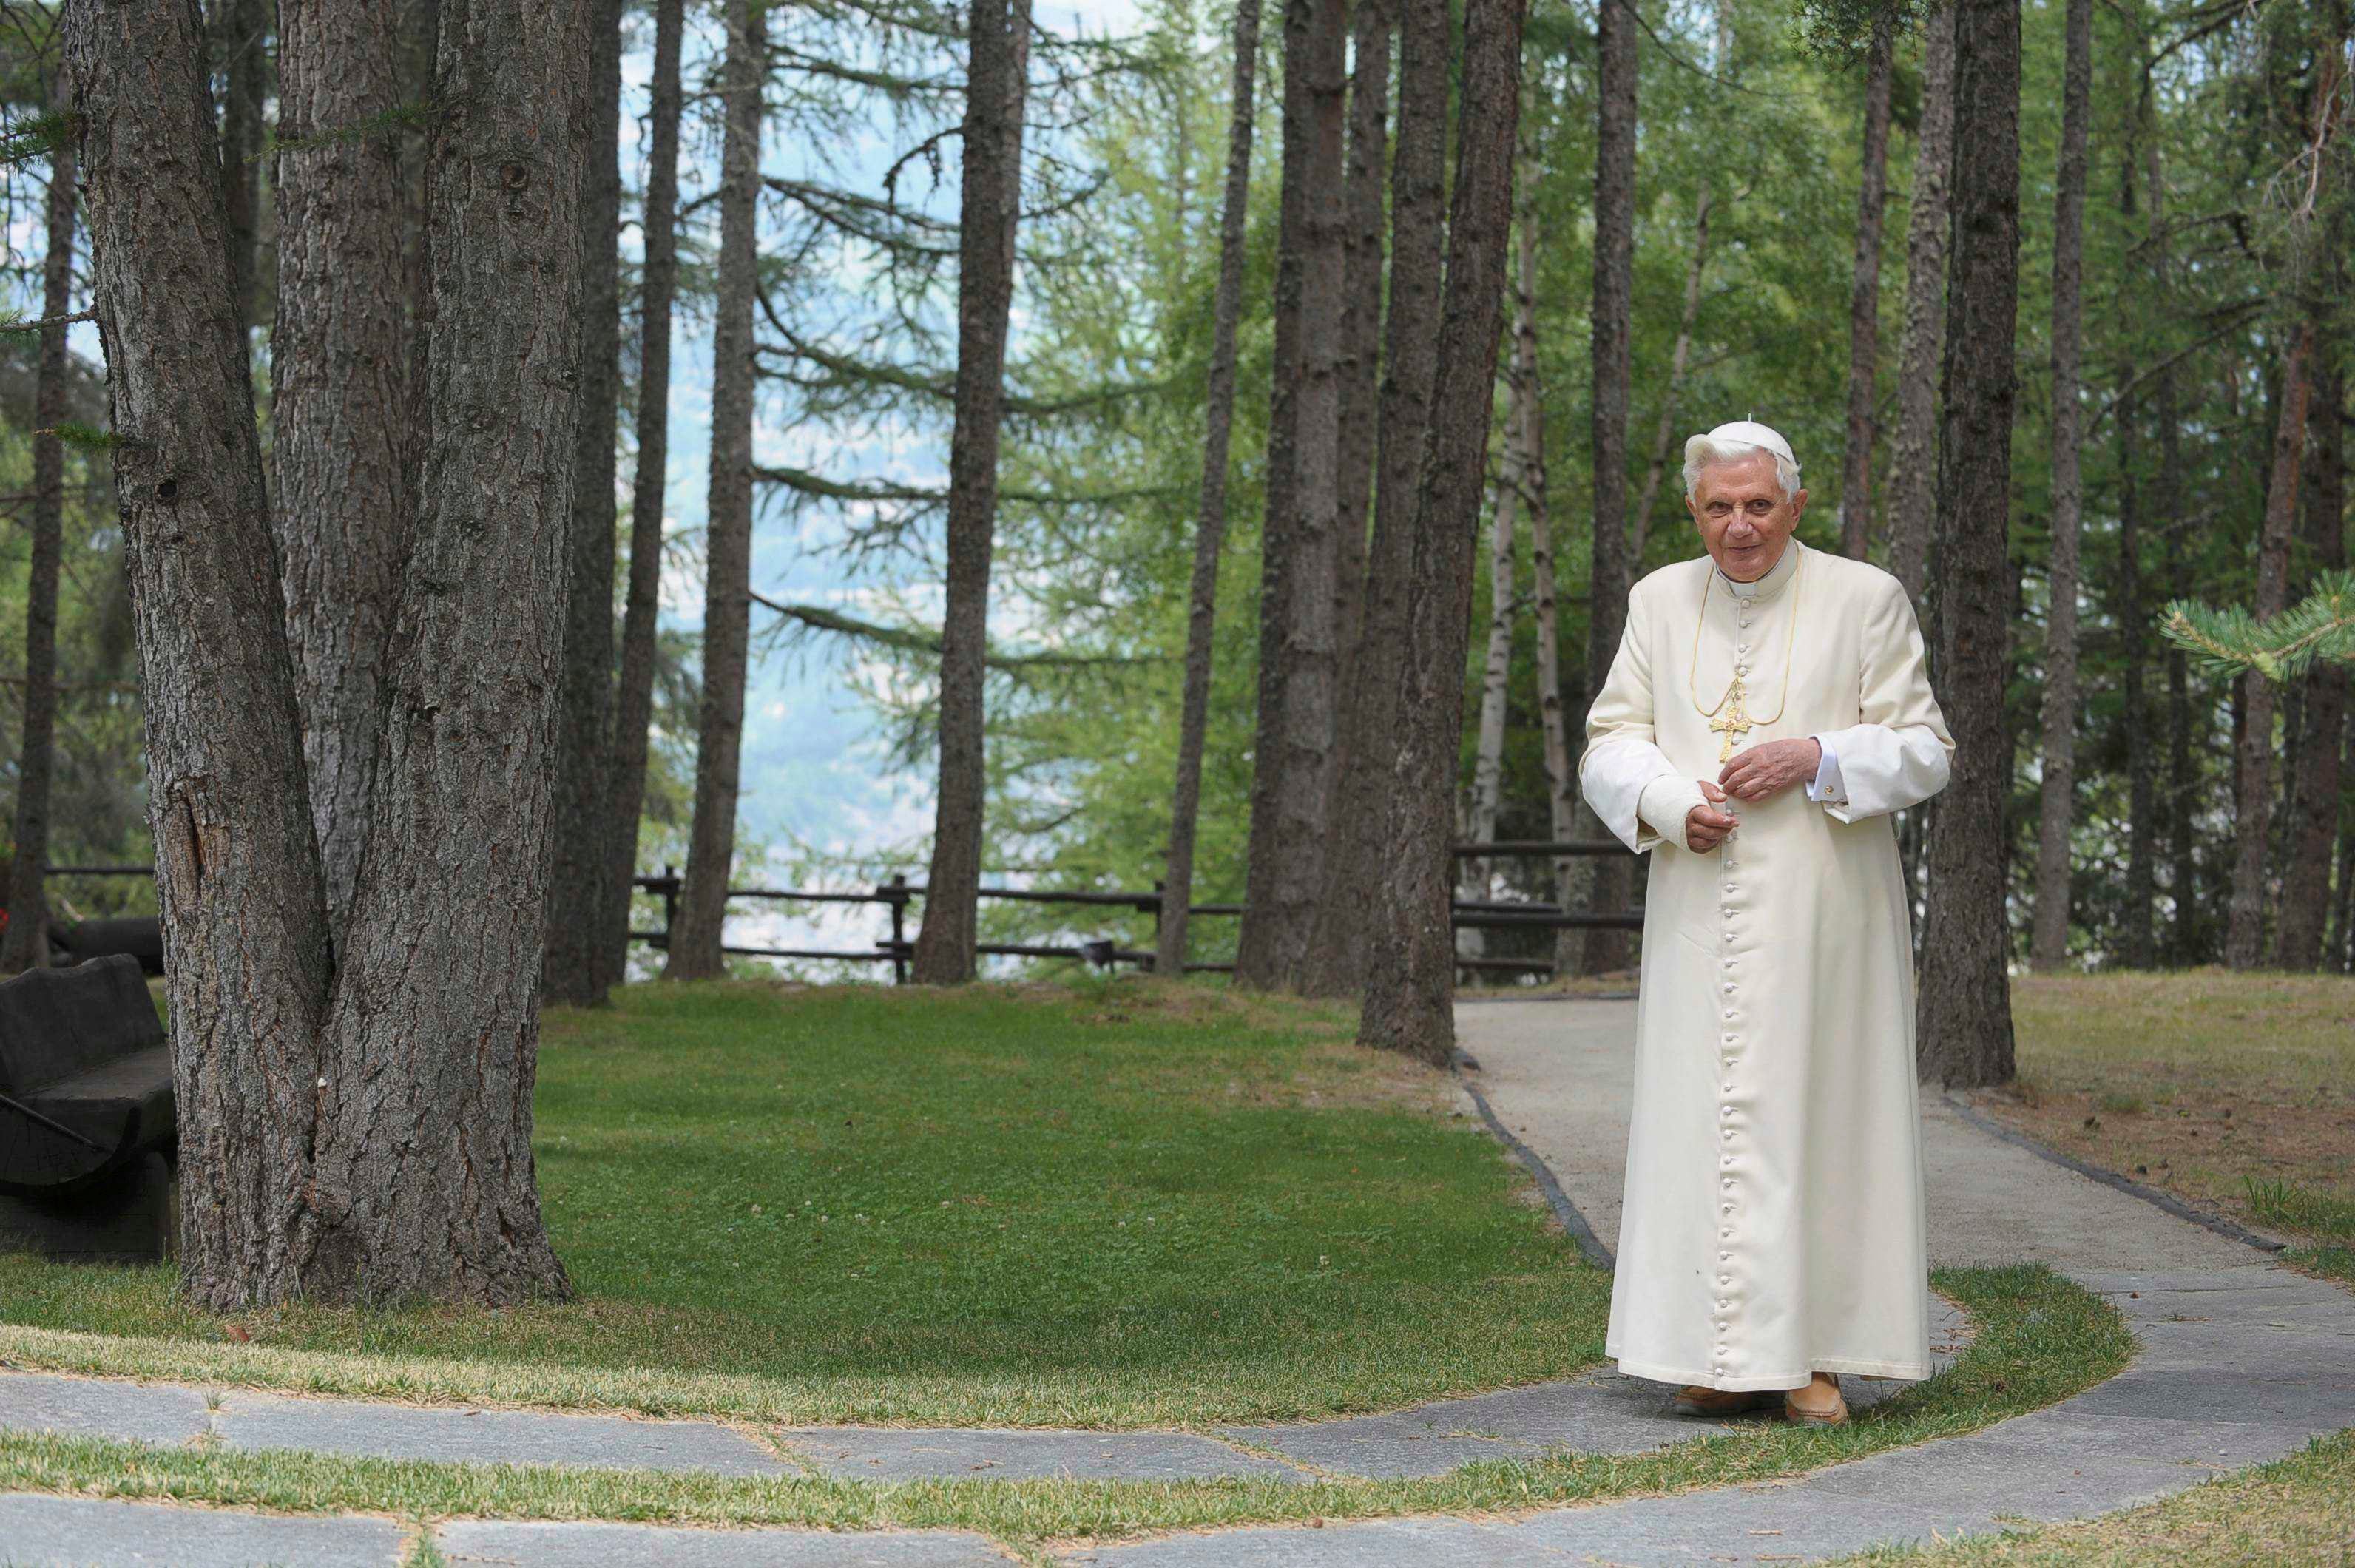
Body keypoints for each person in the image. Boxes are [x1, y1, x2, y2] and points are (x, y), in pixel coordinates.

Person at [1577, 421, 1953, 1426]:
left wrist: (1818, 757)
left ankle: (1811, 1355)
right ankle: (1716, 1354)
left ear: (1795, 505)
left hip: (1826, 911)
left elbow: (1926, 750)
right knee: (1702, 1125)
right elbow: (1612, 741)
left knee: (1814, 1121)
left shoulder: (1866, 597)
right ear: (1694, 510)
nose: (1738, 527)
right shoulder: (1658, 601)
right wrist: (1666, 805)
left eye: (1756, 505)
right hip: (1702, 907)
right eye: (1717, 507)